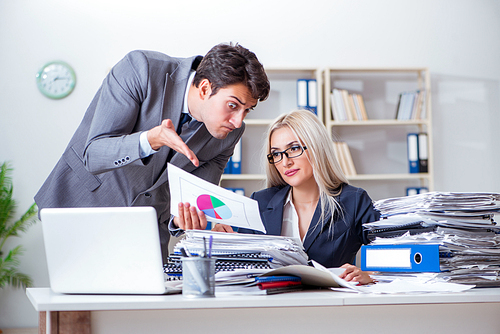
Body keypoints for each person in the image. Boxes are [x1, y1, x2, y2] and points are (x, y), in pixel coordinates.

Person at [34, 43, 270, 262]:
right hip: (83, 208)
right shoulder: (141, 69)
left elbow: (195, 197)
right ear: (205, 88)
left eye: (247, 110)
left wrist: (188, 220)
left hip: (147, 230)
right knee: (76, 303)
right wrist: (150, 140)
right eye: (233, 106)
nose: (238, 122)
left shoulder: (229, 134)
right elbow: (94, 154)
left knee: (149, 304)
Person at [180, 109, 380, 284]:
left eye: (293, 149)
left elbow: (396, 258)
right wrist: (223, 245)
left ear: (317, 147)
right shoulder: (260, 203)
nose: (285, 162)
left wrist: (368, 275)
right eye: (276, 154)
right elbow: (239, 270)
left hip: (330, 307)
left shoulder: (353, 201)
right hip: (272, 307)